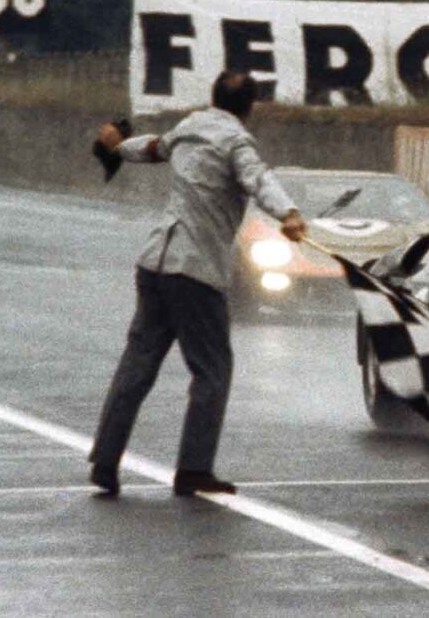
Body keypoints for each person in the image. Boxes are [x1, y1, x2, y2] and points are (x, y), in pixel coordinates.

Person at [88, 71, 307, 498]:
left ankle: (104, 459)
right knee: (212, 371)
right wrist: (290, 214)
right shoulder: (237, 142)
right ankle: (193, 469)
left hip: (155, 262)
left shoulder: (189, 128)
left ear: (214, 97)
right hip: (196, 269)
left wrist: (116, 146)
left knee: (137, 366)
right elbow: (258, 179)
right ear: (250, 107)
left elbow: (151, 148)